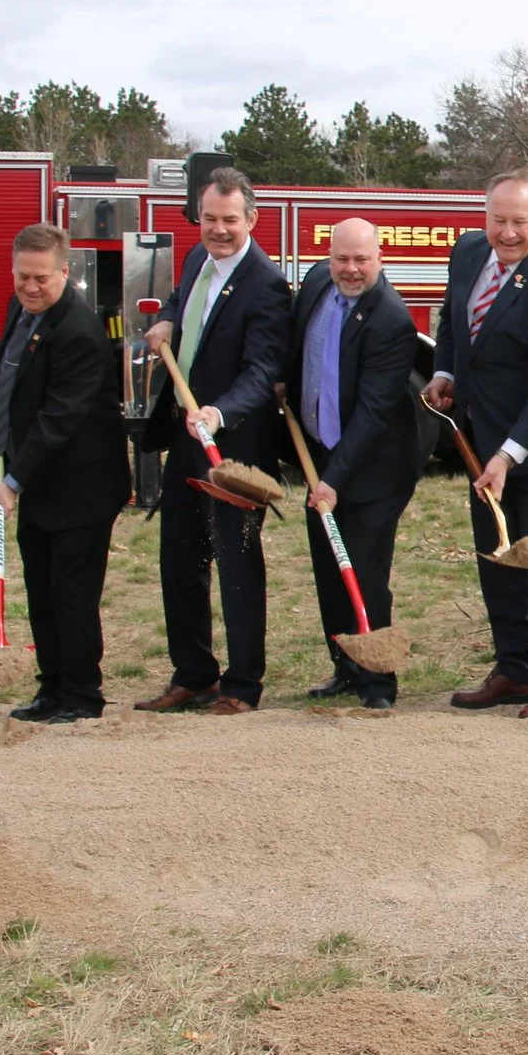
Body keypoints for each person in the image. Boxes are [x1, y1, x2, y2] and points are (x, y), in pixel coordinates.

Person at [424, 168, 528, 718]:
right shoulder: (468, 253)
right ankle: (513, 669)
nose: (508, 232)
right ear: (484, 217)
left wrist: (506, 455)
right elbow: (452, 319)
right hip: (478, 436)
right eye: (499, 220)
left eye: (520, 221)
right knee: (495, 556)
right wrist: (445, 371)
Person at [134, 168, 291, 715]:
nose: (219, 230)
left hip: (236, 446)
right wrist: (168, 320)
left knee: (237, 561)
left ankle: (243, 684)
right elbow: (183, 299)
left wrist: (219, 412)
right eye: (209, 219)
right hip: (185, 438)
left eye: (230, 220)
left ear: (251, 219)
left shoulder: (266, 284)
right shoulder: (197, 260)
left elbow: (261, 368)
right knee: (180, 558)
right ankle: (193, 673)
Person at [0, 223, 130, 724]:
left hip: (82, 485)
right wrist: (0, 451)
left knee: (72, 593)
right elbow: (6, 384)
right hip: (39, 479)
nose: (30, 286)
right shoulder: (21, 310)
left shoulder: (78, 331)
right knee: (42, 590)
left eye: (41, 278)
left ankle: (82, 695)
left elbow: (59, 420)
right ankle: (51, 688)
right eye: (22, 276)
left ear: (65, 273)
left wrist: (11, 481)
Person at [283, 218, 421, 709]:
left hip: (374, 467)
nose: (351, 269)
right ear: (329, 256)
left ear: (379, 258)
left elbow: (373, 414)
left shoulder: (391, 320)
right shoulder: (318, 284)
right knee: (327, 567)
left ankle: (378, 681)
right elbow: (299, 347)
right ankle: (344, 664)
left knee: (362, 569)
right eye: (342, 258)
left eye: (362, 259)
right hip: (318, 451)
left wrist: (334, 480)